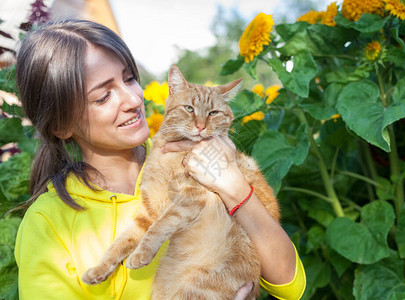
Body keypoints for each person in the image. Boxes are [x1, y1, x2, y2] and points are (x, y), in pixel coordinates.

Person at [14, 19, 306, 300]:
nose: (133, 100)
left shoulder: (207, 158)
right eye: (103, 97)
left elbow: (290, 286)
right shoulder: (46, 223)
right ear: (61, 126)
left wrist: (233, 184)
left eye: (130, 79)